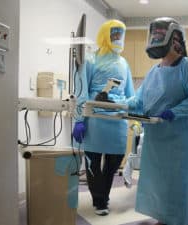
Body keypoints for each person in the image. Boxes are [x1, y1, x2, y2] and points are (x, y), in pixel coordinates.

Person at [126, 17, 188, 225]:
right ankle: (163, 220)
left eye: (159, 36)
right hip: (156, 140)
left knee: (177, 186)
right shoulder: (154, 72)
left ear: (175, 39)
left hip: (179, 141)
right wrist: (117, 104)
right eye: (153, 35)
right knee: (158, 185)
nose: (155, 39)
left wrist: (175, 112)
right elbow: (138, 101)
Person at [72, 19, 135, 216]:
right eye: (114, 33)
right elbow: (81, 91)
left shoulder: (124, 63)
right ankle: (99, 201)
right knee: (93, 161)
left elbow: (131, 94)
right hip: (95, 118)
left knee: (115, 161)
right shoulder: (91, 60)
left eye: (120, 34)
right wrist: (79, 120)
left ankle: (103, 196)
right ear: (105, 35)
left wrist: (134, 119)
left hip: (118, 119)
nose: (118, 38)